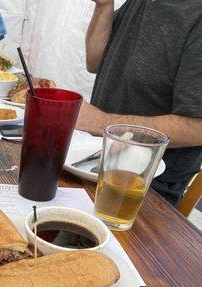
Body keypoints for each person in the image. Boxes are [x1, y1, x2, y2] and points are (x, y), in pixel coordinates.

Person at [76, 0, 202, 206]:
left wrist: (103, 123)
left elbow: (197, 128)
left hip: (146, 191)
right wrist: (104, 6)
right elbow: (95, 61)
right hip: (94, 165)